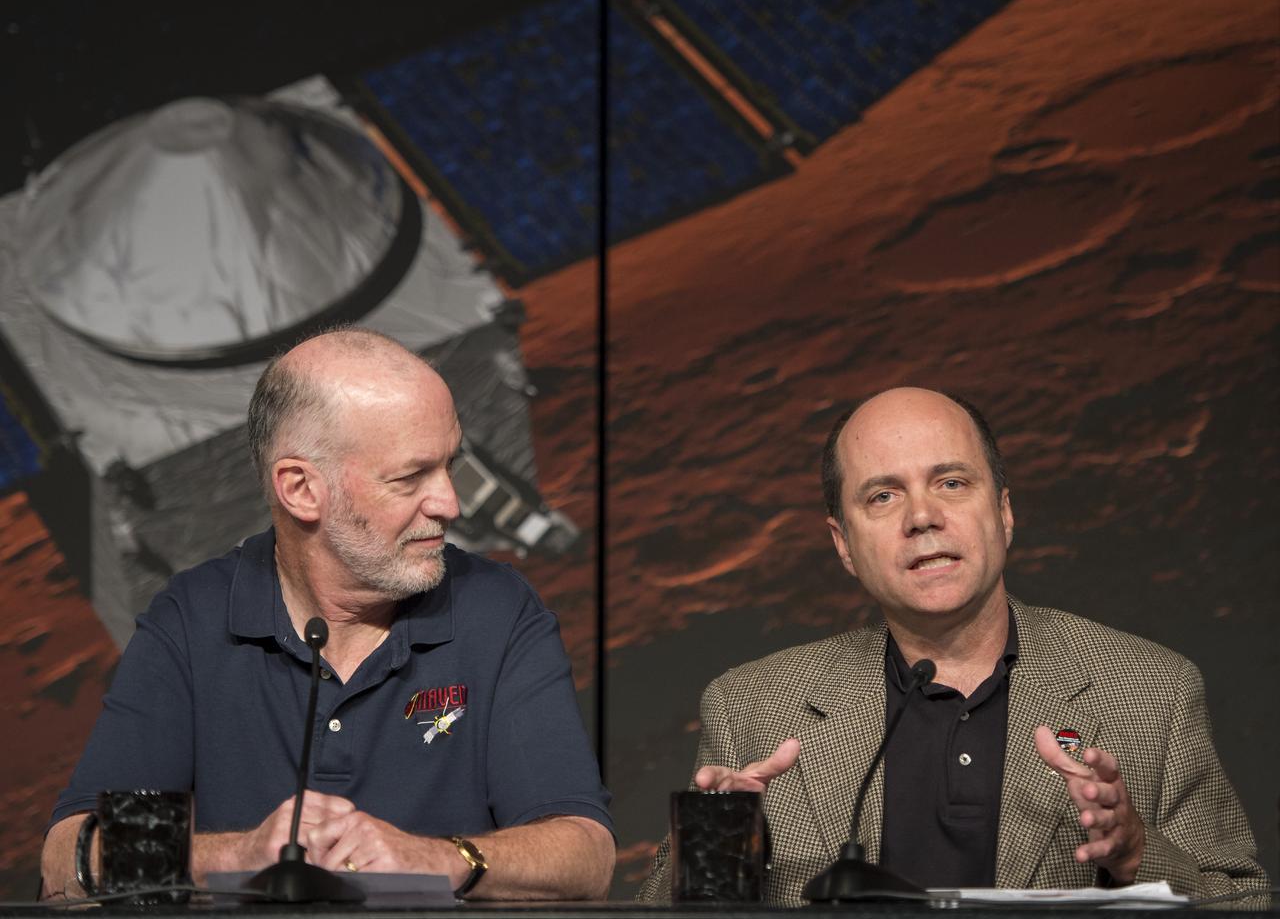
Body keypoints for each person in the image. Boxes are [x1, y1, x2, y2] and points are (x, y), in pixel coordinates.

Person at [42, 328, 614, 900]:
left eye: (450, 464)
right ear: (300, 490)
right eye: (409, 478)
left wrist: (443, 859)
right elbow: (68, 857)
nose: (450, 503)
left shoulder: (494, 606)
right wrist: (237, 856)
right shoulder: (194, 619)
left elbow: (586, 853)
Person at [639, 387, 1266, 905]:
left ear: (1004, 511)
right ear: (844, 545)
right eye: (883, 496)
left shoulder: (1151, 689)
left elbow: (1243, 902)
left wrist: (1135, 855)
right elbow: (654, 913)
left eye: (952, 483)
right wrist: (715, 848)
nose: (922, 517)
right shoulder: (752, 706)